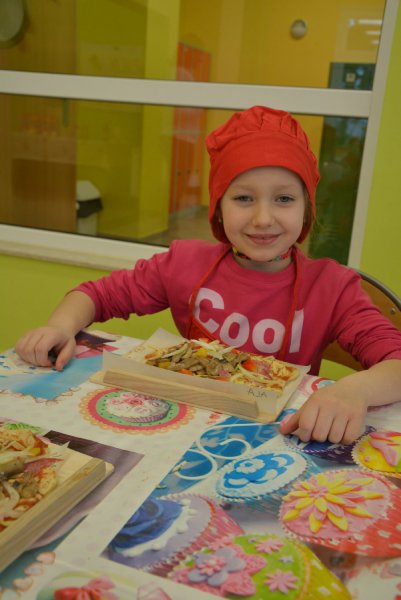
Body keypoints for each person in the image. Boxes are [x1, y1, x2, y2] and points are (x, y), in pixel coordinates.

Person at [15, 105, 401, 445]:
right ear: (218, 208)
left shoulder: (332, 287)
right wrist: (60, 326)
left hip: (276, 440)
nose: (262, 218)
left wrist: (356, 389)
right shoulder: (184, 264)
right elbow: (96, 295)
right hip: (181, 431)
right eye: (243, 198)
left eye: (284, 199)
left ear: (306, 209)